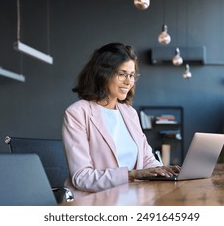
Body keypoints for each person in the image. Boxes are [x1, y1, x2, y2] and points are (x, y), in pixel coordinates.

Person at [62, 42, 179, 197]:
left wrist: (164, 171)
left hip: (134, 197)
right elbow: (81, 177)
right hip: (96, 202)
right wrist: (132, 175)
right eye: (122, 74)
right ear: (102, 74)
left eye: (131, 75)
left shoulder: (129, 113)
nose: (128, 82)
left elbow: (147, 159)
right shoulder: (77, 113)